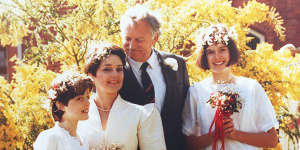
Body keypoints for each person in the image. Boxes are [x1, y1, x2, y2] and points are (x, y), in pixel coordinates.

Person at [182, 24, 279, 150]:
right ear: (204, 56)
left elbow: (272, 140)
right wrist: (216, 134)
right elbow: (188, 144)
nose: (217, 57)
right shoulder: (196, 92)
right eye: (210, 52)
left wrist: (235, 134)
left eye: (222, 49)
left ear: (231, 51)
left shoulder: (251, 88)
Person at [119, 5, 190, 150]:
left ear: (155, 37)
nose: (131, 46)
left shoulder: (178, 64)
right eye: (127, 39)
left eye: (139, 40)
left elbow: (185, 111)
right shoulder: (114, 70)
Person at [77, 42, 166, 150]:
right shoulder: (75, 113)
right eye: (107, 69)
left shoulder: (142, 115)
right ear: (91, 75)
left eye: (119, 69)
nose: (115, 74)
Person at [33, 70, 93, 150]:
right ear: (60, 105)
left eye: (87, 97)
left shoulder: (84, 140)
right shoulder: (51, 138)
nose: (87, 103)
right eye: (79, 99)